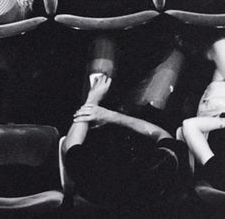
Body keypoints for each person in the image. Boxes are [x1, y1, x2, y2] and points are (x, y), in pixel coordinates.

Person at [63, 35, 187, 217]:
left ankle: (107, 28)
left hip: (96, 119)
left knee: (103, 44)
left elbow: (70, 145)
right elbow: (162, 134)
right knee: (175, 55)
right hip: (144, 116)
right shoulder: (156, 174)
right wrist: (114, 116)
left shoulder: (95, 182)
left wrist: (93, 100)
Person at [181, 37, 225, 191]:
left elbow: (189, 126)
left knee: (218, 39)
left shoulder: (219, 175)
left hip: (216, 108)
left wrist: (223, 123)